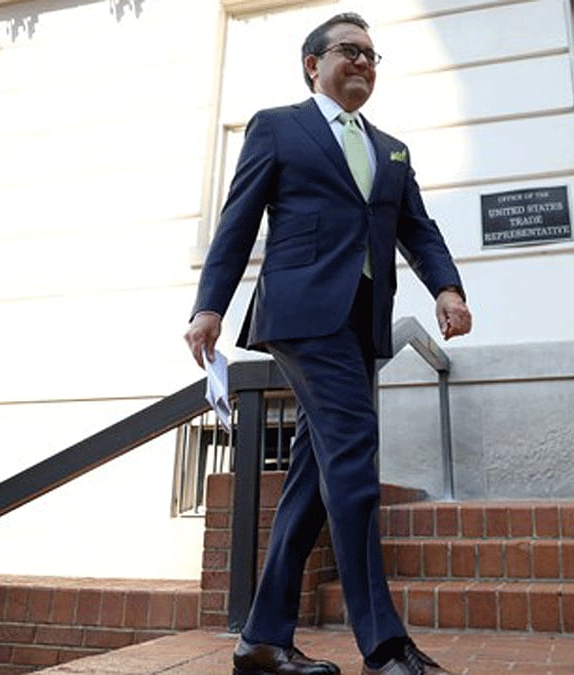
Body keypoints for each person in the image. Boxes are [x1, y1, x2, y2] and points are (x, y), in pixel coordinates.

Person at [184, 12, 472, 675]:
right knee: (353, 459)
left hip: (362, 321)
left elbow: (417, 229)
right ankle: (384, 643)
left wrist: (447, 289)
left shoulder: (391, 148)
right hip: (303, 313)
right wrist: (210, 307)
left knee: (315, 478)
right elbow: (238, 220)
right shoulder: (277, 127)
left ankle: (261, 638)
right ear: (312, 63)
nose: (365, 62)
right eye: (351, 50)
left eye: (374, 55)